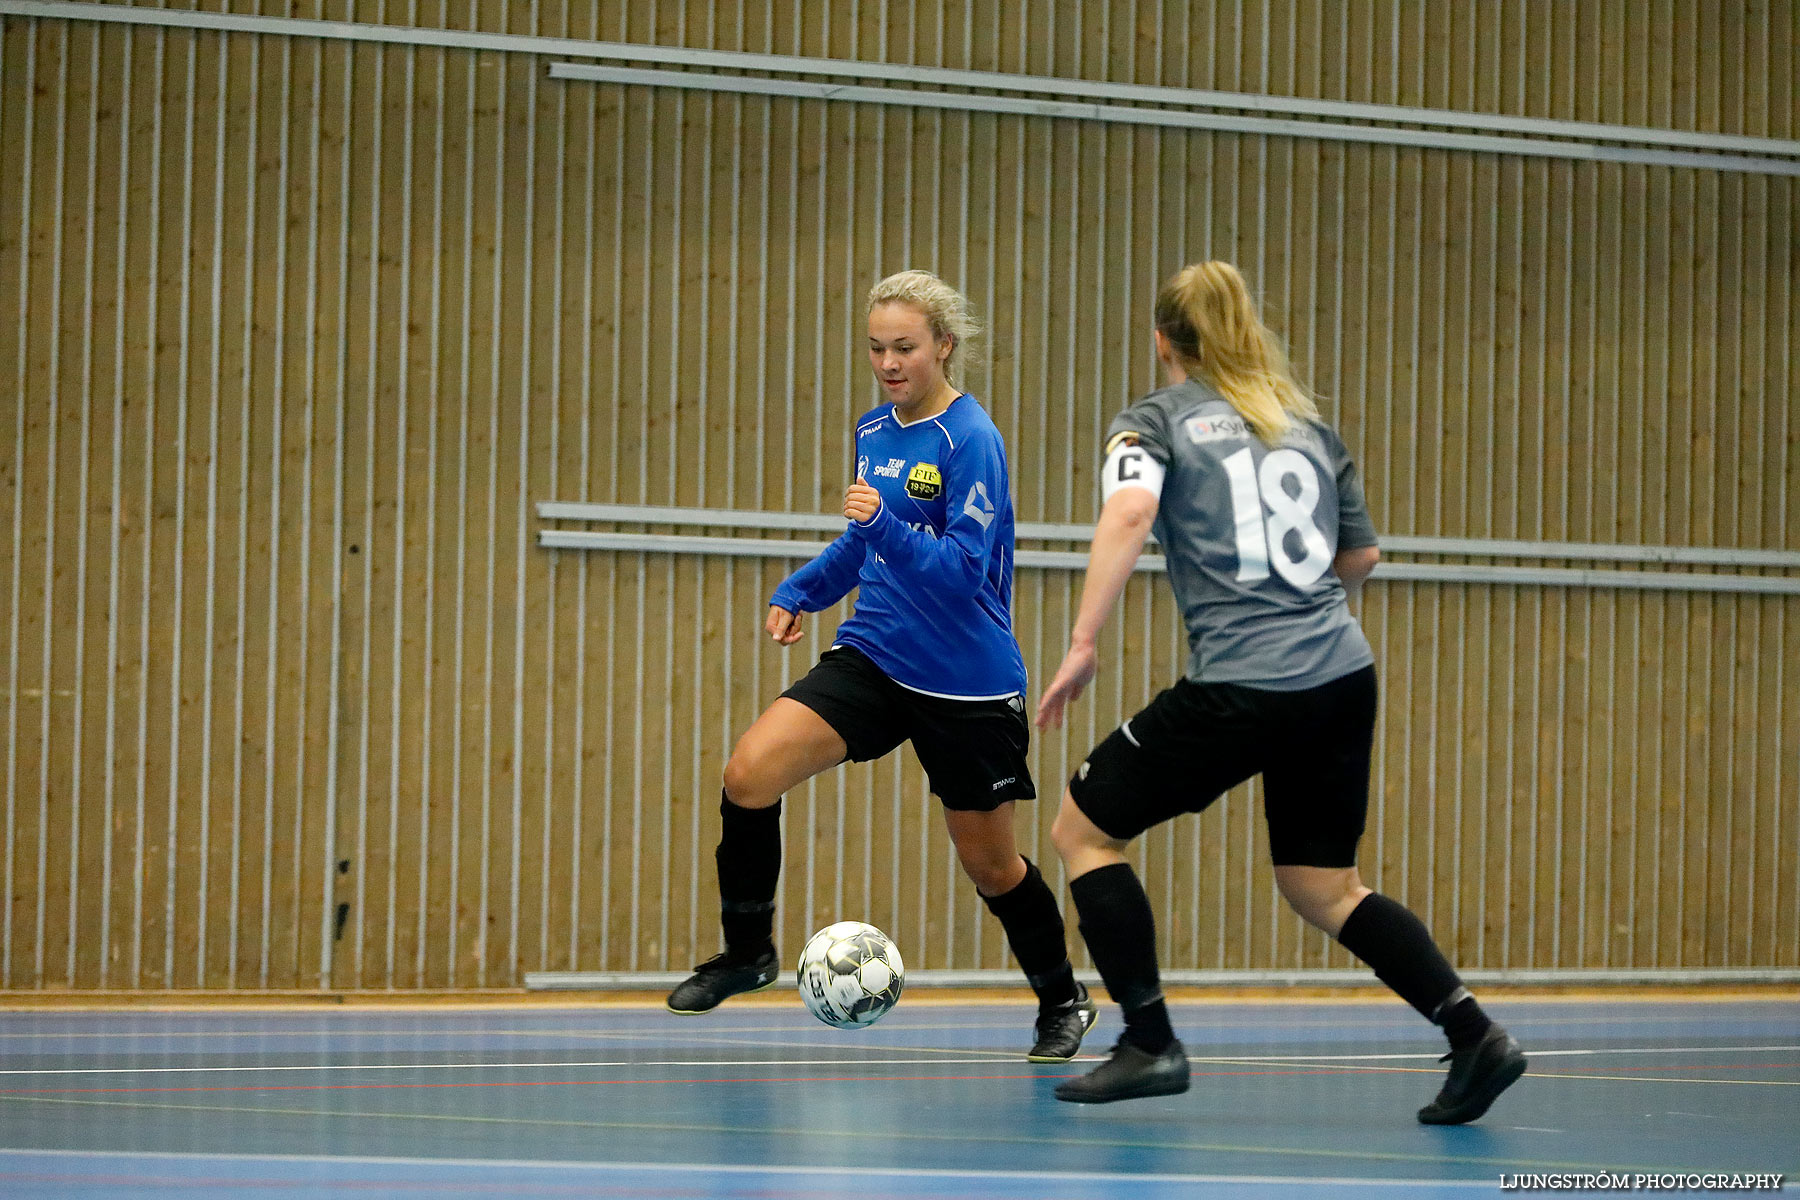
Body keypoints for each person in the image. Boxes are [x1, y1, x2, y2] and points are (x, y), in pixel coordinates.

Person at [1035, 261, 1526, 1121]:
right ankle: (1474, 1033)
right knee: (1322, 885)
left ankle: (1150, 1041)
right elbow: (1359, 558)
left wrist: (1083, 643)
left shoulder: (1152, 422)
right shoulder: (1303, 425)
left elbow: (1128, 515)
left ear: (1163, 340)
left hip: (1242, 683)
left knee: (1083, 827)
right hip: (1340, 677)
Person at [667, 269, 1098, 1063]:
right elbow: (867, 543)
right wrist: (803, 589)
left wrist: (887, 522)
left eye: (905, 347)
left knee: (994, 866)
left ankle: (1062, 999)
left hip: (965, 680)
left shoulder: (970, 440)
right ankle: (747, 952)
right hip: (876, 651)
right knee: (747, 775)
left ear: (944, 346)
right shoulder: (874, 431)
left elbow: (962, 570)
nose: (889, 362)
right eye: (876, 348)